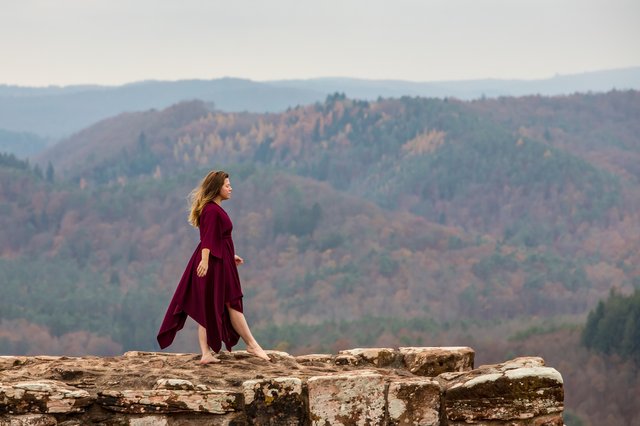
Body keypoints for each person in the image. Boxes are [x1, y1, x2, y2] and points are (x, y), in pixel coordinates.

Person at [157, 170, 270, 363]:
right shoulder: (210, 210)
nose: (231, 188)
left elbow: (217, 237)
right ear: (217, 188)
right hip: (212, 264)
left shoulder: (213, 208)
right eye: (227, 185)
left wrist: (228, 256)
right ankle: (251, 344)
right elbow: (207, 238)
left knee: (211, 304)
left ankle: (206, 353)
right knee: (230, 302)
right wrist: (205, 261)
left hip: (220, 261)